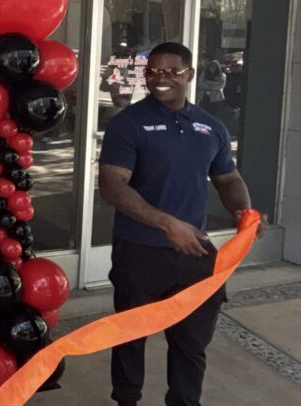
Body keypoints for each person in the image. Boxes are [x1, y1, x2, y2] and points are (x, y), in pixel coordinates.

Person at [98, 42, 268, 406]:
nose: (161, 78)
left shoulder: (211, 127)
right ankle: (126, 401)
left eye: (171, 71)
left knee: (191, 344)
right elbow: (112, 184)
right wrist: (166, 224)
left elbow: (229, 179)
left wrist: (244, 212)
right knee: (129, 338)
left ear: (189, 74)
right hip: (139, 252)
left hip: (194, 253)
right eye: (153, 71)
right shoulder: (128, 124)